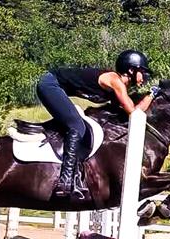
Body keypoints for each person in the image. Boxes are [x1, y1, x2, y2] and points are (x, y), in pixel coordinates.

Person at [36, 50, 160, 199]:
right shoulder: (116, 82)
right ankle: (65, 180)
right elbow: (134, 113)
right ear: (131, 70)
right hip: (49, 84)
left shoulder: (118, 86)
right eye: (142, 72)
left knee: (79, 124)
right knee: (77, 126)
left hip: (55, 85)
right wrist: (151, 95)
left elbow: (126, 114)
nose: (144, 77)